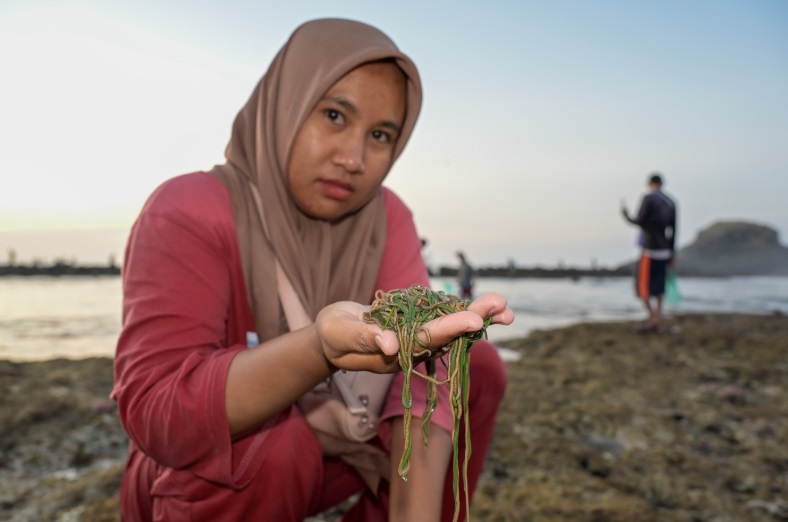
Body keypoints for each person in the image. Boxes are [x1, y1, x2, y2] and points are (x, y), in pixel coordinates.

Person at [111, 18, 514, 522]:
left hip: (342, 445)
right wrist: (316, 350)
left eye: (381, 134)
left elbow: (422, 382)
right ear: (286, 103)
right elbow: (157, 413)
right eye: (333, 115)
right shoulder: (189, 210)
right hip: (200, 476)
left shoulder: (386, 218)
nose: (353, 158)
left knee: (474, 369)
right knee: (275, 444)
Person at [621, 172, 677, 332]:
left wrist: (625, 215)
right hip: (664, 251)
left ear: (650, 184)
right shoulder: (671, 203)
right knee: (659, 287)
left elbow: (640, 221)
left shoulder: (648, 198)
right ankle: (657, 319)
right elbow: (673, 230)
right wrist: (672, 254)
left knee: (642, 287)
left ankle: (652, 318)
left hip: (649, 250)